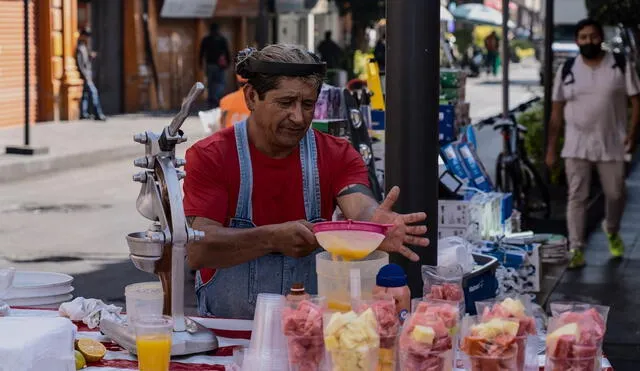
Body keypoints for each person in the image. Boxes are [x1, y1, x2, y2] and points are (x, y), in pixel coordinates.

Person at [183, 44, 429, 319]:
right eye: (286, 103)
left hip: (312, 335)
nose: (299, 117)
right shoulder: (212, 155)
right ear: (252, 97)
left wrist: (373, 223)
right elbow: (198, 248)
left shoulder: (338, 154)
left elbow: (359, 205)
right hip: (229, 336)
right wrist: (271, 239)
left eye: (308, 104)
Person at [546, 18, 640, 269]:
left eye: (593, 36)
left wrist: (633, 133)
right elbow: (556, 112)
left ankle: (611, 229)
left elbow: (636, 101)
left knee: (616, 194)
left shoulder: (620, 65)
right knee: (577, 196)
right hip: (576, 145)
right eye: (584, 37)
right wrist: (551, 148)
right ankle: (576, 247)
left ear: (601, 38)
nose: (589, 41)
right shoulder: (567, 69)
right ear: (578, 41)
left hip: (612, 143)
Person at [76, 28, 106, 121]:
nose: (88, 38)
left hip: (87, 75)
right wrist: (85, 76)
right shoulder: (80, 48)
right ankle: (98, 114)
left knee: (84, 95)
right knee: (94, 92)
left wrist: (90, 55)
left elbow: (86, 59)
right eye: (87, 36)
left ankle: (83, 114)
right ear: (83, 36)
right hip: (85, 76)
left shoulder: (84, 47)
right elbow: (80, 63)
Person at [199, 23, 231, 108]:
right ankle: (216, 98)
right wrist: (228, 62)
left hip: (209, 65)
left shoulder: (206, 39)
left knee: (210, 83)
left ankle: (211, 99)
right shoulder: (222, 39)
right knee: (220, 82)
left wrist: (200, 63)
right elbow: (227, 52)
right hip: (220, 66)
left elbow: (201, 52)